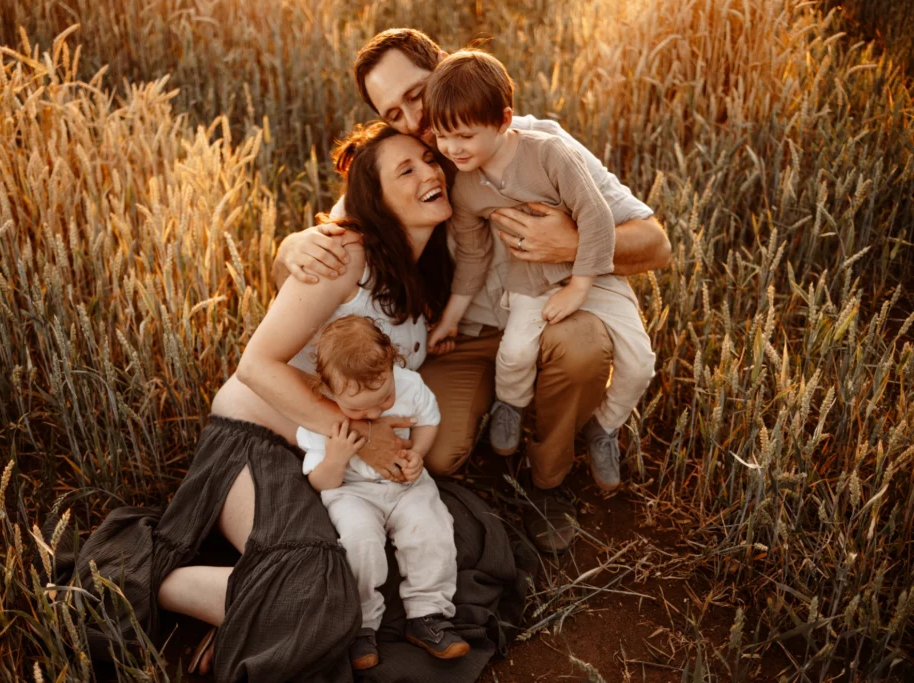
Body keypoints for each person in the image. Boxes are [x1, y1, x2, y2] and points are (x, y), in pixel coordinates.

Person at [55, 121, 527, 682]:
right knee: (321, 595)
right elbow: (255, 365)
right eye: (407, 169)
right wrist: (363, 436)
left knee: (438, 548)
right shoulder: (345, 256)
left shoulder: (421, 271)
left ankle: (250, 594)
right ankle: (155, 582)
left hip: (337, 466)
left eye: (430, 160)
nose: (430, 172)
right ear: (373, 200)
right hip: (257, 442)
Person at [276, 28, 671, 552]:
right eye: (394, 113)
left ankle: (547, 478)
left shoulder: (537, 144)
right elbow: (328, 244)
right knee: (436, 455)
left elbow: (656, 244)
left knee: (582, 351)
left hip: (549, 312)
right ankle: (500, 422)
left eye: (417, 94)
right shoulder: (405, 169)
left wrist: (569, 242)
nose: (416, 120)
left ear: (448, 64)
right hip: (460, 338)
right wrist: (290, 245)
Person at [424, 50, 657, 490]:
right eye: (441, 136)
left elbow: (597, 216)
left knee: (640, 363)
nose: (452, 149)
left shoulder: (548, 153)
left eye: (465, 136)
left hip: (595, 277)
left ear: (504, 120)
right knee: (514, 353)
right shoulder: (465, 185)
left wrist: (579, 286)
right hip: (529, 281)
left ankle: (604, 427)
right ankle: (511, 406)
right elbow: (474, 257)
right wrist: (450, 321)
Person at [299, 315, 469, 669]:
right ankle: (361, 624)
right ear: (328, 390)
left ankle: (428, 614)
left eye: (385, 398)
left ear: (394, 363)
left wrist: (417, 455)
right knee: (359, 542)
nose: (374, 414)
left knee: (433, 528)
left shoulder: (411, 384)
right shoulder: (320, 416)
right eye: (358, 409)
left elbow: (428, 419)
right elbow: (320, 483)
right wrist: (336, 457)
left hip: (404, 484)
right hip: (351, 490)